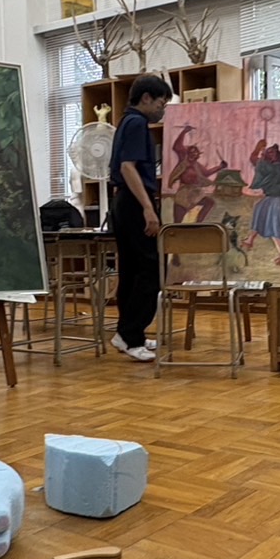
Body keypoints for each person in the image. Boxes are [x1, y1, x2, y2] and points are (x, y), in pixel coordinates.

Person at [108, 73, 171, 362]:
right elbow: (128, 167)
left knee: (132, 270)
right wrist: (147, 208)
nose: (162, 109)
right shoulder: (137, 123)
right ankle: (129, 334)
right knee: (152, 269)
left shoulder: (126, 121)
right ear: (146, 98)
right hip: (134, 201)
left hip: (124, 201)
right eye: (161, 103)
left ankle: (128, 333)